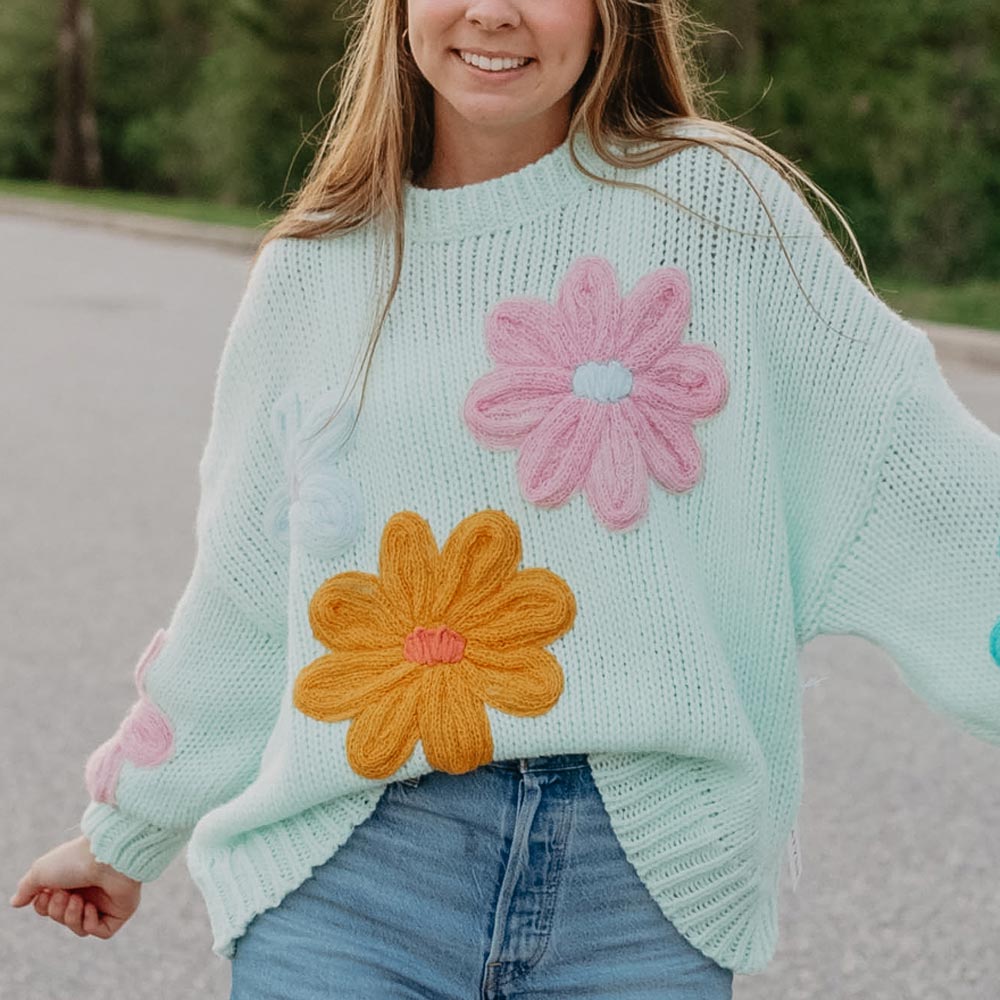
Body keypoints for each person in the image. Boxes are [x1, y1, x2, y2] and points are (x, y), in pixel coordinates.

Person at [10, 0, 1000, 996]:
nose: (493, 12)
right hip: (353, 889)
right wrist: (127, 828)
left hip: (638, 896)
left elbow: (917, 475)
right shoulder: (313, 272)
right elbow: (245, 596)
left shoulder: (713, 205)